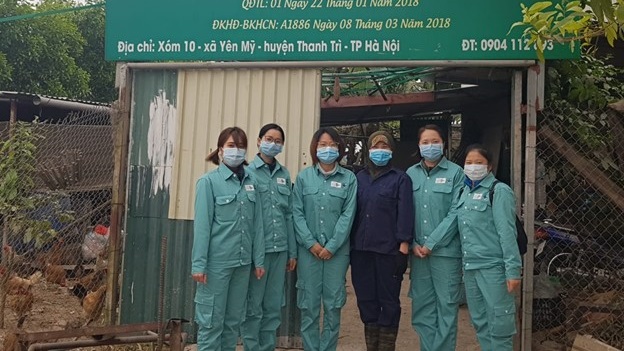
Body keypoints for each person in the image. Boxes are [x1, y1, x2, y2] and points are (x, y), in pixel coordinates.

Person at [419, 144, 522, 351]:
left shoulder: (498, 191)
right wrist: (429, 245)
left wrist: (513, 271)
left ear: (490, 167)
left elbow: (507, 234)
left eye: (479, 163)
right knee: (481, 323)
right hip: (471, 269)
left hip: (493, 269)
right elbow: (452, 222)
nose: (473, 167)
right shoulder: (464, 192)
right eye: (469, 163)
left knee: (499, 327)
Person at [191, 127, 266, 351]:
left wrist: (259, 260)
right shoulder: (208, 182)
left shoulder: (252, 182)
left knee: (233, 323)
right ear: (221, 150)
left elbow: (258, 224)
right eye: (232, 146)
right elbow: (202, 228)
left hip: (242, 265)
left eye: (241, 146)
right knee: (212, 323)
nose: (237, 151)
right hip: (216, 266)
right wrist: (199, 265)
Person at [292, 127, 357, 351]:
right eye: (322, 145)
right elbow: (296, 213)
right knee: (309, 306)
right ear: (315, 148)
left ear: (339, 148)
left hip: (336, 255)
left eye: (331, 145)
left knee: (333, 306)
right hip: (308, 253)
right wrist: (311, 243)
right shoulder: (303, 178)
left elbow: (348, 215)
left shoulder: (349, 179)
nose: (327, 149)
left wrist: (332, 246)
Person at [350, 131, 414, 351]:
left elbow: (405, 214)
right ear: (368, 149)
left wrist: (403, 248)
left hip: (389, 251)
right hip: (361, 250)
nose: (380, 150)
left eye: (384, 146)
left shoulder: (401, 178)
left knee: (388, 302)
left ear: (391, 150)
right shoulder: (359, 178)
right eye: (376, 146)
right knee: (366, 300)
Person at [406, 125, 464, 351]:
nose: (430, 146)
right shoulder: (410, 174)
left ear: (444, 143)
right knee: (422, 309)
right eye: (425, 142)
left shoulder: (456, 173)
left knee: (446, 309)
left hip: (445, 254)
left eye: (435, 141)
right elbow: (404, 213)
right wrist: (412, 243)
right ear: (419, 146)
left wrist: (432, 243)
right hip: (417, 254)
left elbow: (457, 212)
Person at [241, 123, 297, 351]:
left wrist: (292, 251)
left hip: (280, 250)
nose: (273, 144)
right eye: (269, 139)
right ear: (258, 141)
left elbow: (289, 214)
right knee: (254, 306)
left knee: (273, 306)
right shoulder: (247, 172)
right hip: (258, 251)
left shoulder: (284, 174)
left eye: (278, 141)